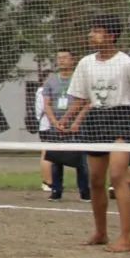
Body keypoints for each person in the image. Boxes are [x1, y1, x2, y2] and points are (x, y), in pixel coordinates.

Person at [62, 14, 130, 253]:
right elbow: (79, 97)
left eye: (96, 31)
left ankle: (127, 238)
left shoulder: (127, 63)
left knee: (118, 177)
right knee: (96, 180)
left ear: (110, 35)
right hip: (97, 118)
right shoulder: (86, 63)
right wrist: (66, 120)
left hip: (122, 118)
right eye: (91, 31)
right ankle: (101, 233)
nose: (91, 35)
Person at [42, 50, 90, 202]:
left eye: (65, 58)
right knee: (56, 159)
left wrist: (76, 122)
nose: (61, 61)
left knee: (81, 161)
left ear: (72, 60)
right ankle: (56, 190)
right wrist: (54, 122)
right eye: (59, 58)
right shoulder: (50, 80)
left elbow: (87, 102)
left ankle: (84, 191)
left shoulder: (80, 79)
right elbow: (47, 104)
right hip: (56, 126)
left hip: (76, 127)